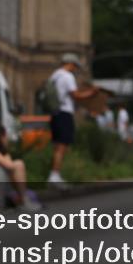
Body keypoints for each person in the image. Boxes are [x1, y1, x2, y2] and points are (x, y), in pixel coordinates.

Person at [46, 53, 100, 186]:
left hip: (55, 113)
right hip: (64, 113)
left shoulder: (54, 76)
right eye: (75, 66)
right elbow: (76, 95)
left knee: (57, 145)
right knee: (62, 146)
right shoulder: (67, 76)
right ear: (70, 63)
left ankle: (54, 174)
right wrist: (92, 93)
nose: (75, 69)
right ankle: (55, 175)